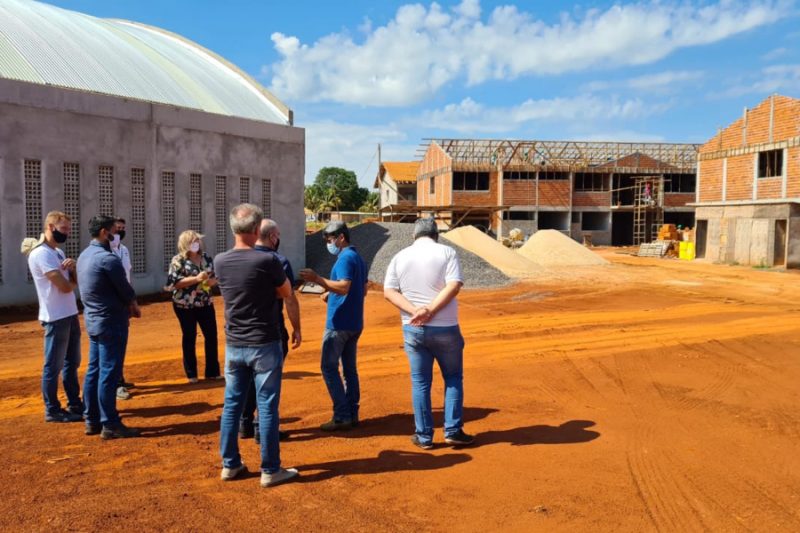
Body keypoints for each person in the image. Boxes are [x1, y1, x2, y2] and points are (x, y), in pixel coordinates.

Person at [214, 203, 298, 487]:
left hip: (235, 342)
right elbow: (285, 292)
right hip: (264, 342)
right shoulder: (269, 261)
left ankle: (230, 464)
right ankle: (270, 469)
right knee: (267, 406)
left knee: (232, 405)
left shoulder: (220, 261)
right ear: (255, 229)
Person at [383, 217, 474, 449]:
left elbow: (389, 291)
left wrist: (416, 311)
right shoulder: (447, 253)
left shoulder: (399, 257)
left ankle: (424, 437)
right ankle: (452, 431)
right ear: (436, 234)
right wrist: (430, 311)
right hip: (445, 327)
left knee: (420, 382)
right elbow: (453, 285)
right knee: (452, 378)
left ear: (414, 235)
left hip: (412, 327)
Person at [77, 215, 142, 439]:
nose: (117, 233)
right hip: (111, 321)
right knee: (109, 373)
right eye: (114, 230)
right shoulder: (108, 259)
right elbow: (124, 289)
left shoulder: (84, 256)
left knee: (94, 371)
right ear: (105, 232)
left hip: (94, 321)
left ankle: (92, 419)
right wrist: (133, 304)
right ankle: (110, 423)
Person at [299, 221, 367, 431]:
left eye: (330, 239)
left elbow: (345, 286)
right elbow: (360, 289)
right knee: (349, 369)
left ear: (341, 237)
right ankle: (352, 413)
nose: (329, 243)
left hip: (339, 324)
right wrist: (331, 293)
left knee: (328, 367)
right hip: (354, 322)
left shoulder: (345, 258)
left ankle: (341, 416)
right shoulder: (358, 257)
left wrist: (317, 279)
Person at [240, 219, 301, 443]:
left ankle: (244, 424)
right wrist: (297, 329)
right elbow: (290, 298)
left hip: (241, 333)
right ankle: (262, 429)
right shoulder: (279, 261)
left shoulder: (239, 258)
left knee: (246, 379)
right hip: (270, 330)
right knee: (266, 382)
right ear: (273, 236)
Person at [25, 211, 83, 423]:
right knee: (53, 365)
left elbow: (72, 281)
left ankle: (74, 403)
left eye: (68, 228)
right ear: (50, 227)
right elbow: (66, 287)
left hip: (69, 313)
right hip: (55, 317)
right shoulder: (42, 254)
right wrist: (74, 277)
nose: (67, 232)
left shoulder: (57, 252)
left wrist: (74, 269)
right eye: (64, 229)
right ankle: (52, 409)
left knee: (72, 362)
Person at [165, 230, 221, 383]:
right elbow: (173, 283)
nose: (197, 243)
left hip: (205, 302)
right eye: (193, 241)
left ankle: (212, 372)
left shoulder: (206, 258)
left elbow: (213, 276)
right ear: (185, 244)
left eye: (197, 241)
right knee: (189, 337)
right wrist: (196, 279)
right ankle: (191, 374)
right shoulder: (178, 260)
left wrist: (212, 282)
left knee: (211, 335)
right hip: (185, 305)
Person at [110, 217, 134, 400]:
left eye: (123, 228)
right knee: (113, 345)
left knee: (122, 342)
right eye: (117, 228)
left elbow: (127, 276)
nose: (120, 232)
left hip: (124, 303)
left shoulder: (124, 250)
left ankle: (120, 376)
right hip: (111, 305)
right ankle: (115, 384)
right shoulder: (105, 251)